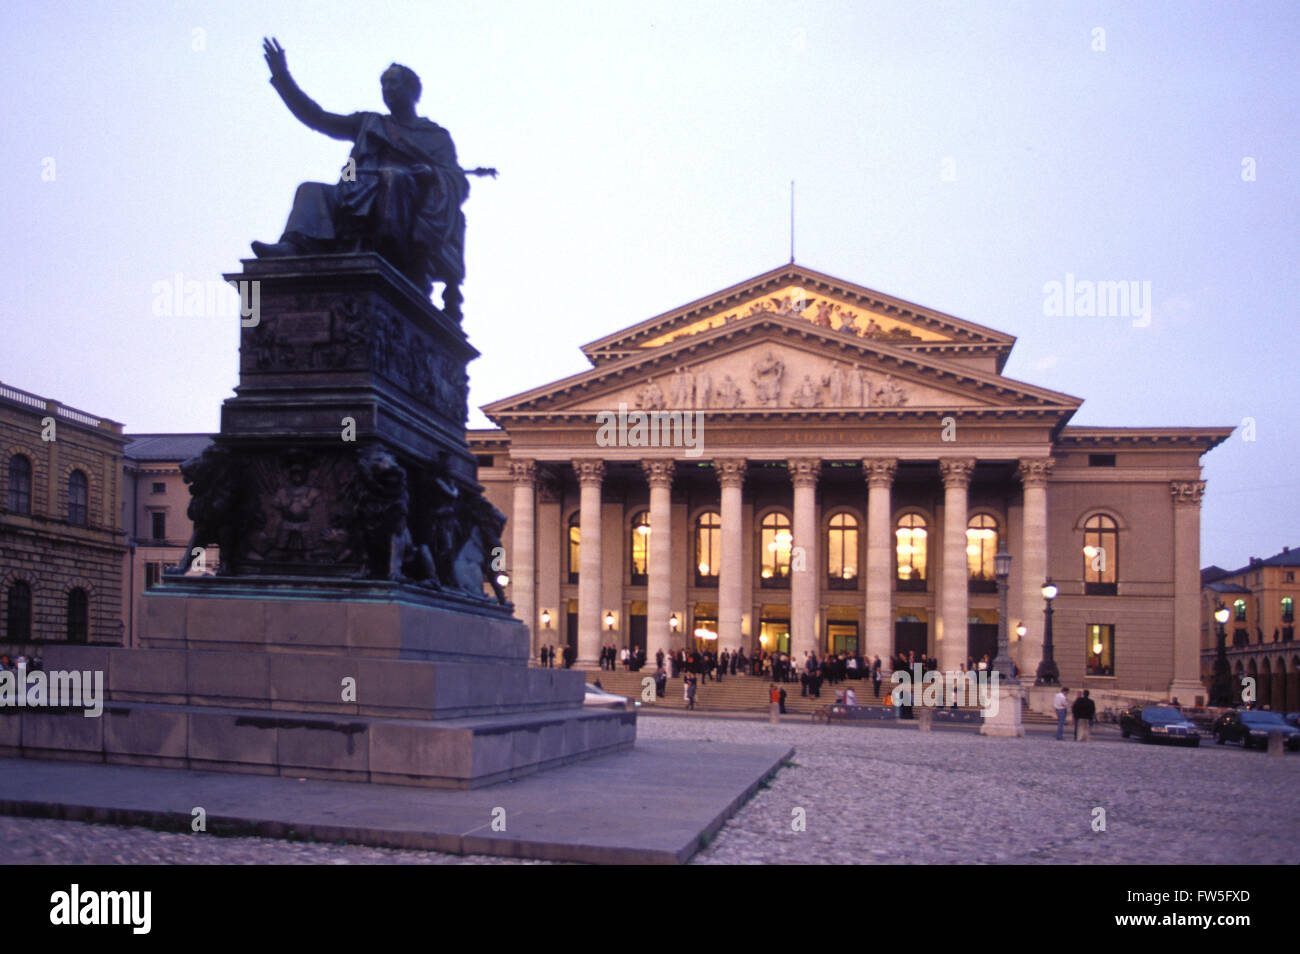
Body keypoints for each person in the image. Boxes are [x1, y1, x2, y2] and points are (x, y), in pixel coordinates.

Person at [252, 38, 479, 316]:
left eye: (393, 83)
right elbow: (317, 117)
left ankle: (391, 260)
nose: (387, 90)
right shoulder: (370, 122)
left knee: (393, 179)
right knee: (310, 190)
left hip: (405, 201)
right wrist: (282, 76)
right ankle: (294, 246)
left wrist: (431, 173)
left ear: (411, 89)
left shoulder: (435, 136)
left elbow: (457, 180)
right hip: (356, 192)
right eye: (383, 84)